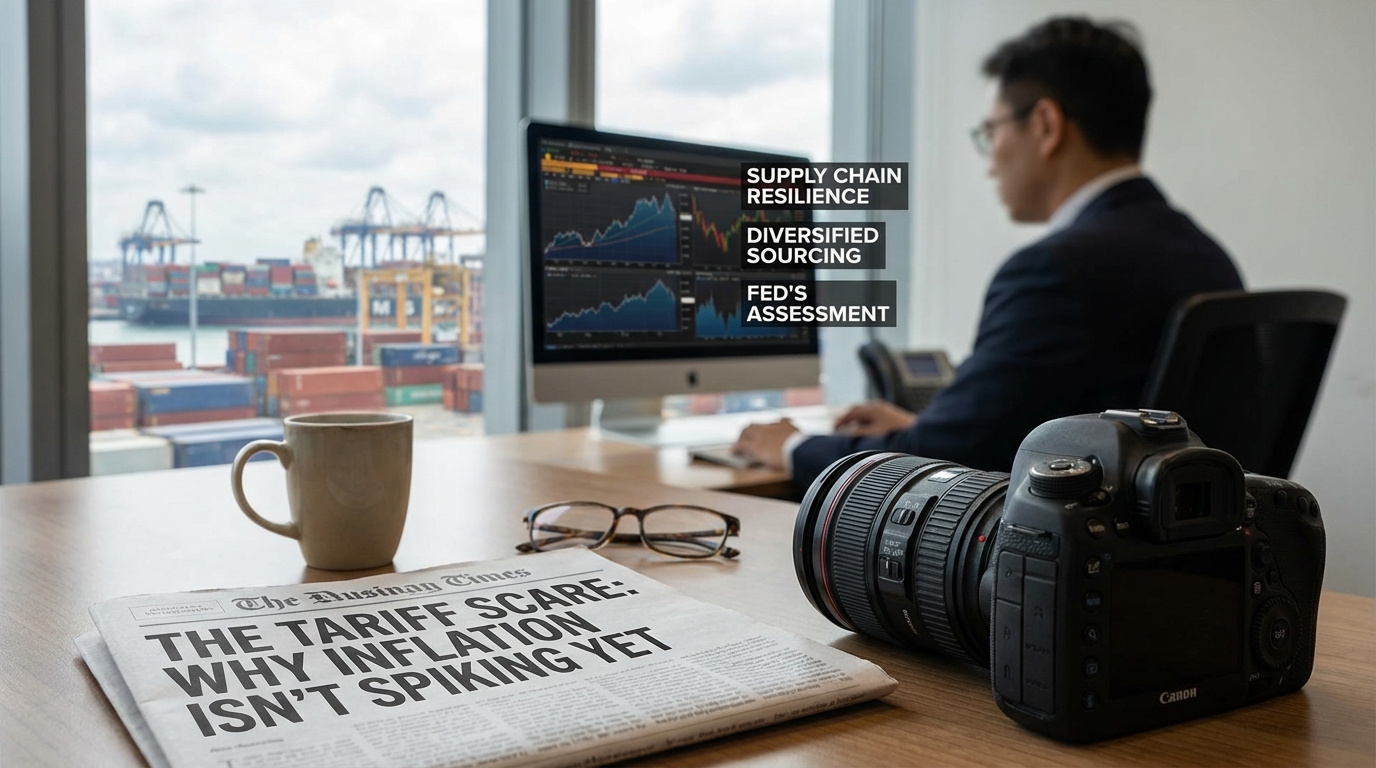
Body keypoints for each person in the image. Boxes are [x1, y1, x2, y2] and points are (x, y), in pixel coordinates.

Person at [733, 16, 1244, 488]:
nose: (990, 160)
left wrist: (794, 446)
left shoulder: (1055, 272)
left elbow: (943, 459)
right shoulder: (1206, 257)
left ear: (1045, 125)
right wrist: (929, 424)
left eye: (991, 131)